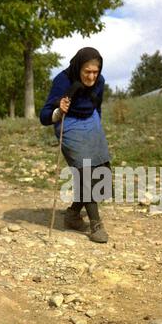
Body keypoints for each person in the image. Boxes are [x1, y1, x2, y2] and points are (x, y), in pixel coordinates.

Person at [40, 47, 111, 243]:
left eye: (95, 72)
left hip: (91, 121)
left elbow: (97, 105)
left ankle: (72, 213)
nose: (91, 76)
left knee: (102, 172)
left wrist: (96, 128)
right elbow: (44, 116)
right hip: (68, 122)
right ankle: (96, 223)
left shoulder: (100, 81)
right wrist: (58, 110)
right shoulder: (62, 81)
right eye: (87, 71)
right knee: (86, 171)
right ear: (78, 67)